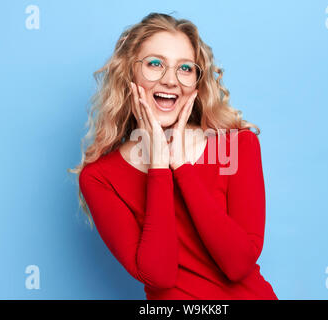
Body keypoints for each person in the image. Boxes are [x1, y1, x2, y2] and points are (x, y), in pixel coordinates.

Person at [70, 12, 278, 300]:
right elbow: (160, 275)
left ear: (196, 82)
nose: (170, 80)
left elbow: (238, 265)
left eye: (185, 68)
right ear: (129, 74)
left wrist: (181, 166)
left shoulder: (237, 146)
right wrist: (158, 166)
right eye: (155, 64)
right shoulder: (100, 178)